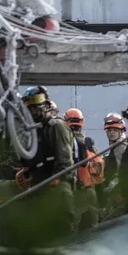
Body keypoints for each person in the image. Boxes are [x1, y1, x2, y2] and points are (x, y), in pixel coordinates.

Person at [18, 86, 77, 234]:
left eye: (36, 108)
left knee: (62, 233)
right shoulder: (36, 129)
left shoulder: (56, 126)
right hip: (41, 187)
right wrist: (28, 171)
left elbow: (65, 160)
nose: (33, 112)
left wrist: (55, 179)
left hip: (58, 188)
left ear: (46, 106)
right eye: (30, 109)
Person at [63, 108, 103, 231]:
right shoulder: (88, 141)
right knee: (93, 225)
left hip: (76, 190)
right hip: (91, 189)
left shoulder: (67, 142)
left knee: (73, 225)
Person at [101, 112, 127, 179]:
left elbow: (123, 170)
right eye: (109, 131)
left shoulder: (121, 146)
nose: (112, 133)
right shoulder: (115, 146)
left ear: (121, 131)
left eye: (115, 130)